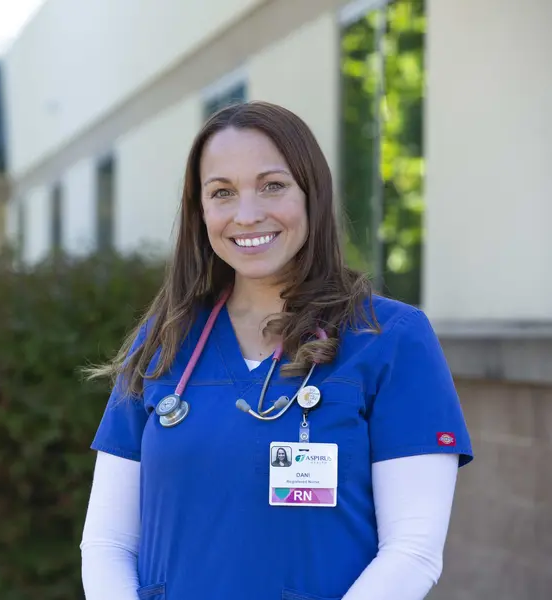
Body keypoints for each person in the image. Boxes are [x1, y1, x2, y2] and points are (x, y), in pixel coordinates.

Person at [80, 101, 473, 600]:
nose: (248, 214)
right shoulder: (162, 342)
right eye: (222, 193)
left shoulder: (391, 338)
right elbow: (108, 543)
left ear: (312, 193)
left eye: (272, 185)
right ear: (200, 212)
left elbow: (412, 550)